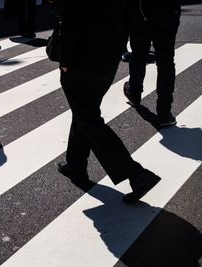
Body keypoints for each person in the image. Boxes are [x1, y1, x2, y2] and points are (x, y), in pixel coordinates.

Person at [55, 0, 161, 203]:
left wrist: (66, 60)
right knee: (85, 111)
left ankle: (136, 174)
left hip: (81, 59)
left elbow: (71, 19)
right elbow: (130, 14)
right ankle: (75, 163)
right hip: (108, 58)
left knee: (88, 118)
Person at [123, 0, 181, 128]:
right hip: (167, 10)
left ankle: (134, 92)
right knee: (165, 60)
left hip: (140, 9)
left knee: (138, 54)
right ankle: (164, 112)